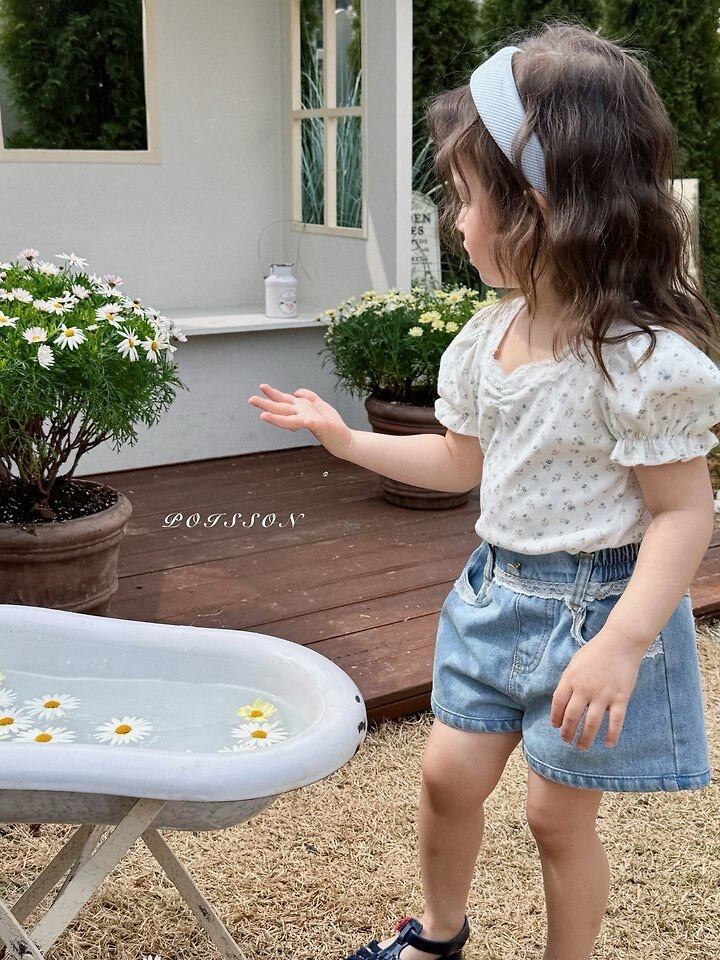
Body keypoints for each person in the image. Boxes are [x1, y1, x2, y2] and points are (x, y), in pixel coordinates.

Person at [248, 20, 720, 960]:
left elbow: (683, 512)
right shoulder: (484, 338)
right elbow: (460, 462)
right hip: (493, 597)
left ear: (539, 208)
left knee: (555, 817)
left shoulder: (640, 362)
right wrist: (345, 440)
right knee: (446, 777)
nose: (455, 224)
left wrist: (623, 645)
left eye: (465, 200)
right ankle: (438, 935)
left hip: (595, 614)